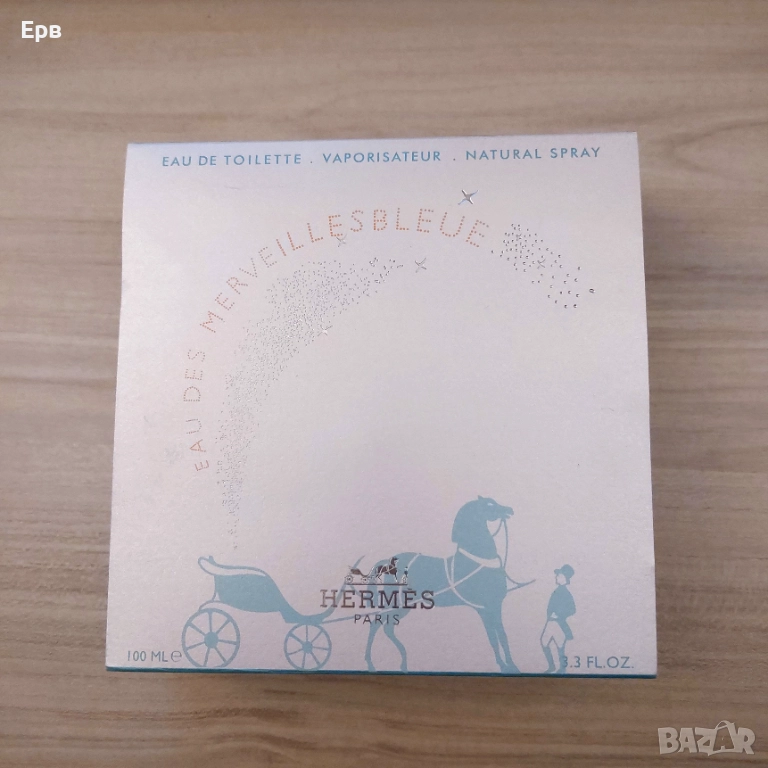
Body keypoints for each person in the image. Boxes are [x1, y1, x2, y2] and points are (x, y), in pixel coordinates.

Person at [540, 564, 575, 674]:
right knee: (545, 642)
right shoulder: (557, 591)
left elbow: (572, 609)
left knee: (559, 645)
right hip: (551, 622)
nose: (556, 577)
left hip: (557, 623)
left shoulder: (566, 593)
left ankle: (561, 668)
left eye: (559, 575)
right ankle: (552, 667)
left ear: (565, 578)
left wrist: (559, 615)